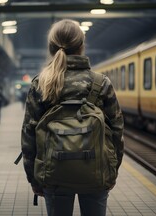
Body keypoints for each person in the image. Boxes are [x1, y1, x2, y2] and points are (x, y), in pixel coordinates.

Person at [21, 19, 124, 216]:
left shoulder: (40, 84)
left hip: (53, 174)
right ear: (81, 46)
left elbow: (28, 134)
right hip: (96, 175)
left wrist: (34, 179)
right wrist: (111, 173)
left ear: (52, 47)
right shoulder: (101, 83)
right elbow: (117, 131)